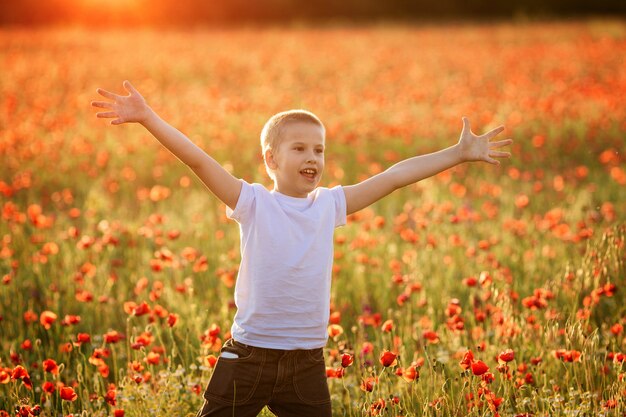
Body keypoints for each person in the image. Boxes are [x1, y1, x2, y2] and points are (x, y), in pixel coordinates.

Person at [92, 80, 512, 417]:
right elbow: (199, 161)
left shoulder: (330, 205)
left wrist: (456, 154)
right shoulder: (253, 202)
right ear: (271, 160)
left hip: (306, 362)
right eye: (300, 149)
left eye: (319, 150)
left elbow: (395, 176)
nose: (313, 157)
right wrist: (148, 118)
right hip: (250, 357)